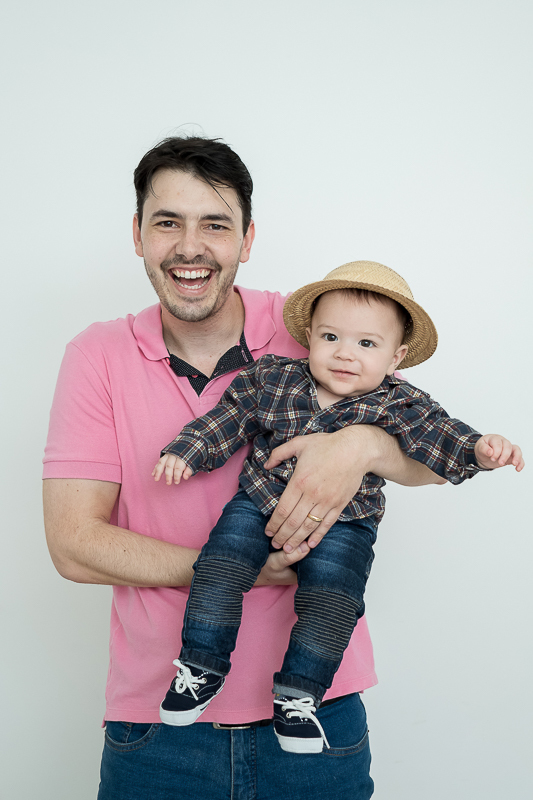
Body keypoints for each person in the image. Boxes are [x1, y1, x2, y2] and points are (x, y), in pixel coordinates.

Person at [43, 136, 452, 800]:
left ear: (247, 237)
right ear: (138, 235)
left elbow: (428, 454)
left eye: (214, 224)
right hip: (157, 725)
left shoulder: (317, 326)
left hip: (319, 712)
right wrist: (235, 567)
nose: (190, 246)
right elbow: (73, 545)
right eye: (167, 222)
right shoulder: (96, 355)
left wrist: (361, 448)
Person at [152, 261, 523, 754]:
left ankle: (299, 695)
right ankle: (201, 666)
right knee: (219, 564)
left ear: (397, 356)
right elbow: (228, 417)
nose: (345, 354)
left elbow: (440, 437)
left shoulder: (399, 404)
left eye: (367, 344)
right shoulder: (274, 378)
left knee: (333, 596)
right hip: (258, 502)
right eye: (331, 337)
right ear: (309, 338)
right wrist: (187, 450)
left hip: (347, 524)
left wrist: (480, 449)